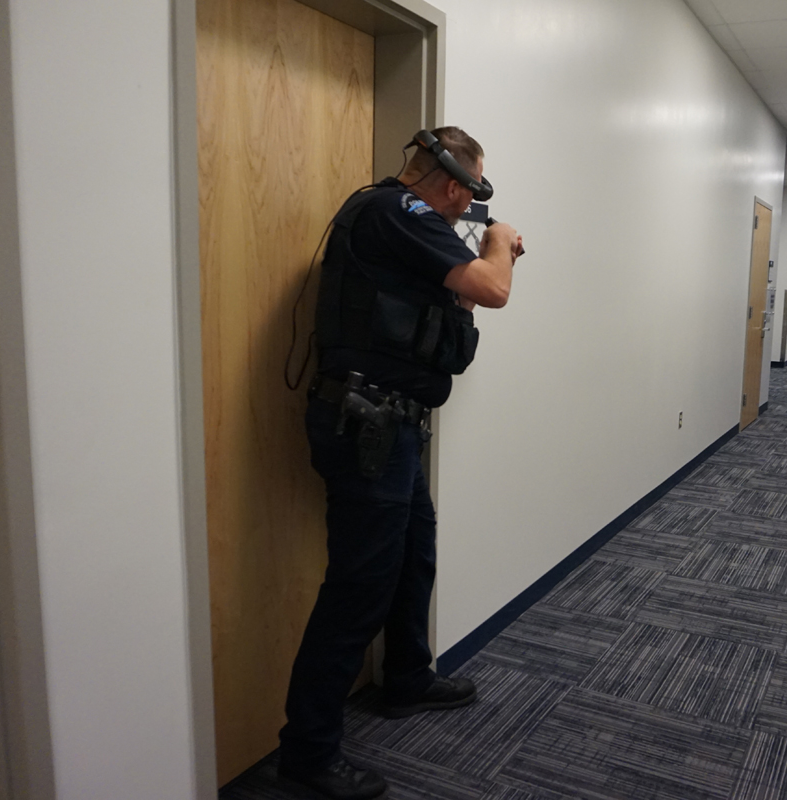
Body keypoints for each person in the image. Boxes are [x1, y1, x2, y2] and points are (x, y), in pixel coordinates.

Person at [276, 127, 523, 800]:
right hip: (366, 427)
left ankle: (407, 677)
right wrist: (500, 243)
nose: (463, 213)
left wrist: (466, 289)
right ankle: (307, 754)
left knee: (413, 555)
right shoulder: (399, 211)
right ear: (453, 186)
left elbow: (451, 329)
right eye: (467, 198)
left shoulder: (401, 230)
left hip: (390, 426)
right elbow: (494, 288)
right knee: (358, 588)